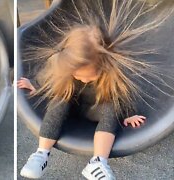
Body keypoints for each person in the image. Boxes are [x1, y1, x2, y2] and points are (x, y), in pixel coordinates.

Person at [18, 26, 147, 180]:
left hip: (98, 109)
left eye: (89, 77)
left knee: (112, 107)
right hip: (73, 108)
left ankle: (98, 162)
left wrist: (129, 114)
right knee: (60, 100)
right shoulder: (68, 69)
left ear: (102, 64)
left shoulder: (112, 74)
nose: (84, 80)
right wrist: (34, 84)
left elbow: (125, 94)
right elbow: (50, 79)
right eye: (78, 76)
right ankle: (41, 154)